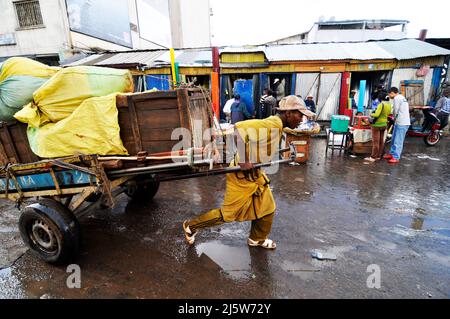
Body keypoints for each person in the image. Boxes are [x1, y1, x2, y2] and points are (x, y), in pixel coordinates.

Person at [182, 96, 314, 249]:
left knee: (267, 207)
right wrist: (245, 160)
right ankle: (191, 226)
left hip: (255, 175)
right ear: (289, 113)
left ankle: (257, 239)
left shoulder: (278, 126)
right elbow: (239, 129)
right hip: (241, 176)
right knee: (228, 214)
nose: (302, 118)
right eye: (300, 114)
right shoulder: (273, 124)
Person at [383, 87, 410, 164]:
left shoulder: (397, 98)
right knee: (394, 139)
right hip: (399, 122)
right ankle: (391, 154)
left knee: (398, 141)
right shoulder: (402, 97)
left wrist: (393, 117)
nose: (389, 96)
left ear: (392, 93)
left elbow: (395, 109)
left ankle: (396, 157)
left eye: (389, 94)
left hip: (402, 123)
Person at [364, 91, 392, 162]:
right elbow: (389, 113)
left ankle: (373, 157)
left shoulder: (381, 104)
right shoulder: (389, 104)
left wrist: (371, 114)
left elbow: (376, 114)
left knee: (375, 142)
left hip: (377, 125)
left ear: (380, 98)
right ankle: (379, 156)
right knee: (381, 141)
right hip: (384, 124)